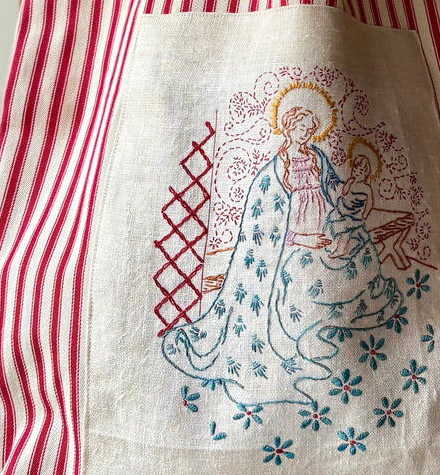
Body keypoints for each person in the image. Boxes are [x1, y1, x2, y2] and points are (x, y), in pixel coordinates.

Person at [161, 88, 404, 410]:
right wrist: (301, 239)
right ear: (288, 128)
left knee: (354, 258)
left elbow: (333, 190)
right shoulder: (275, 169)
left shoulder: (318, 157)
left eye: (310, 129)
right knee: (303, 275)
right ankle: (298, 339)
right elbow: (265, 222)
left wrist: (348, 203)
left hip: (324, 227)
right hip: (290, 240)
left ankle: (323, 330)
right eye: (301, 128)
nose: (306, 134)